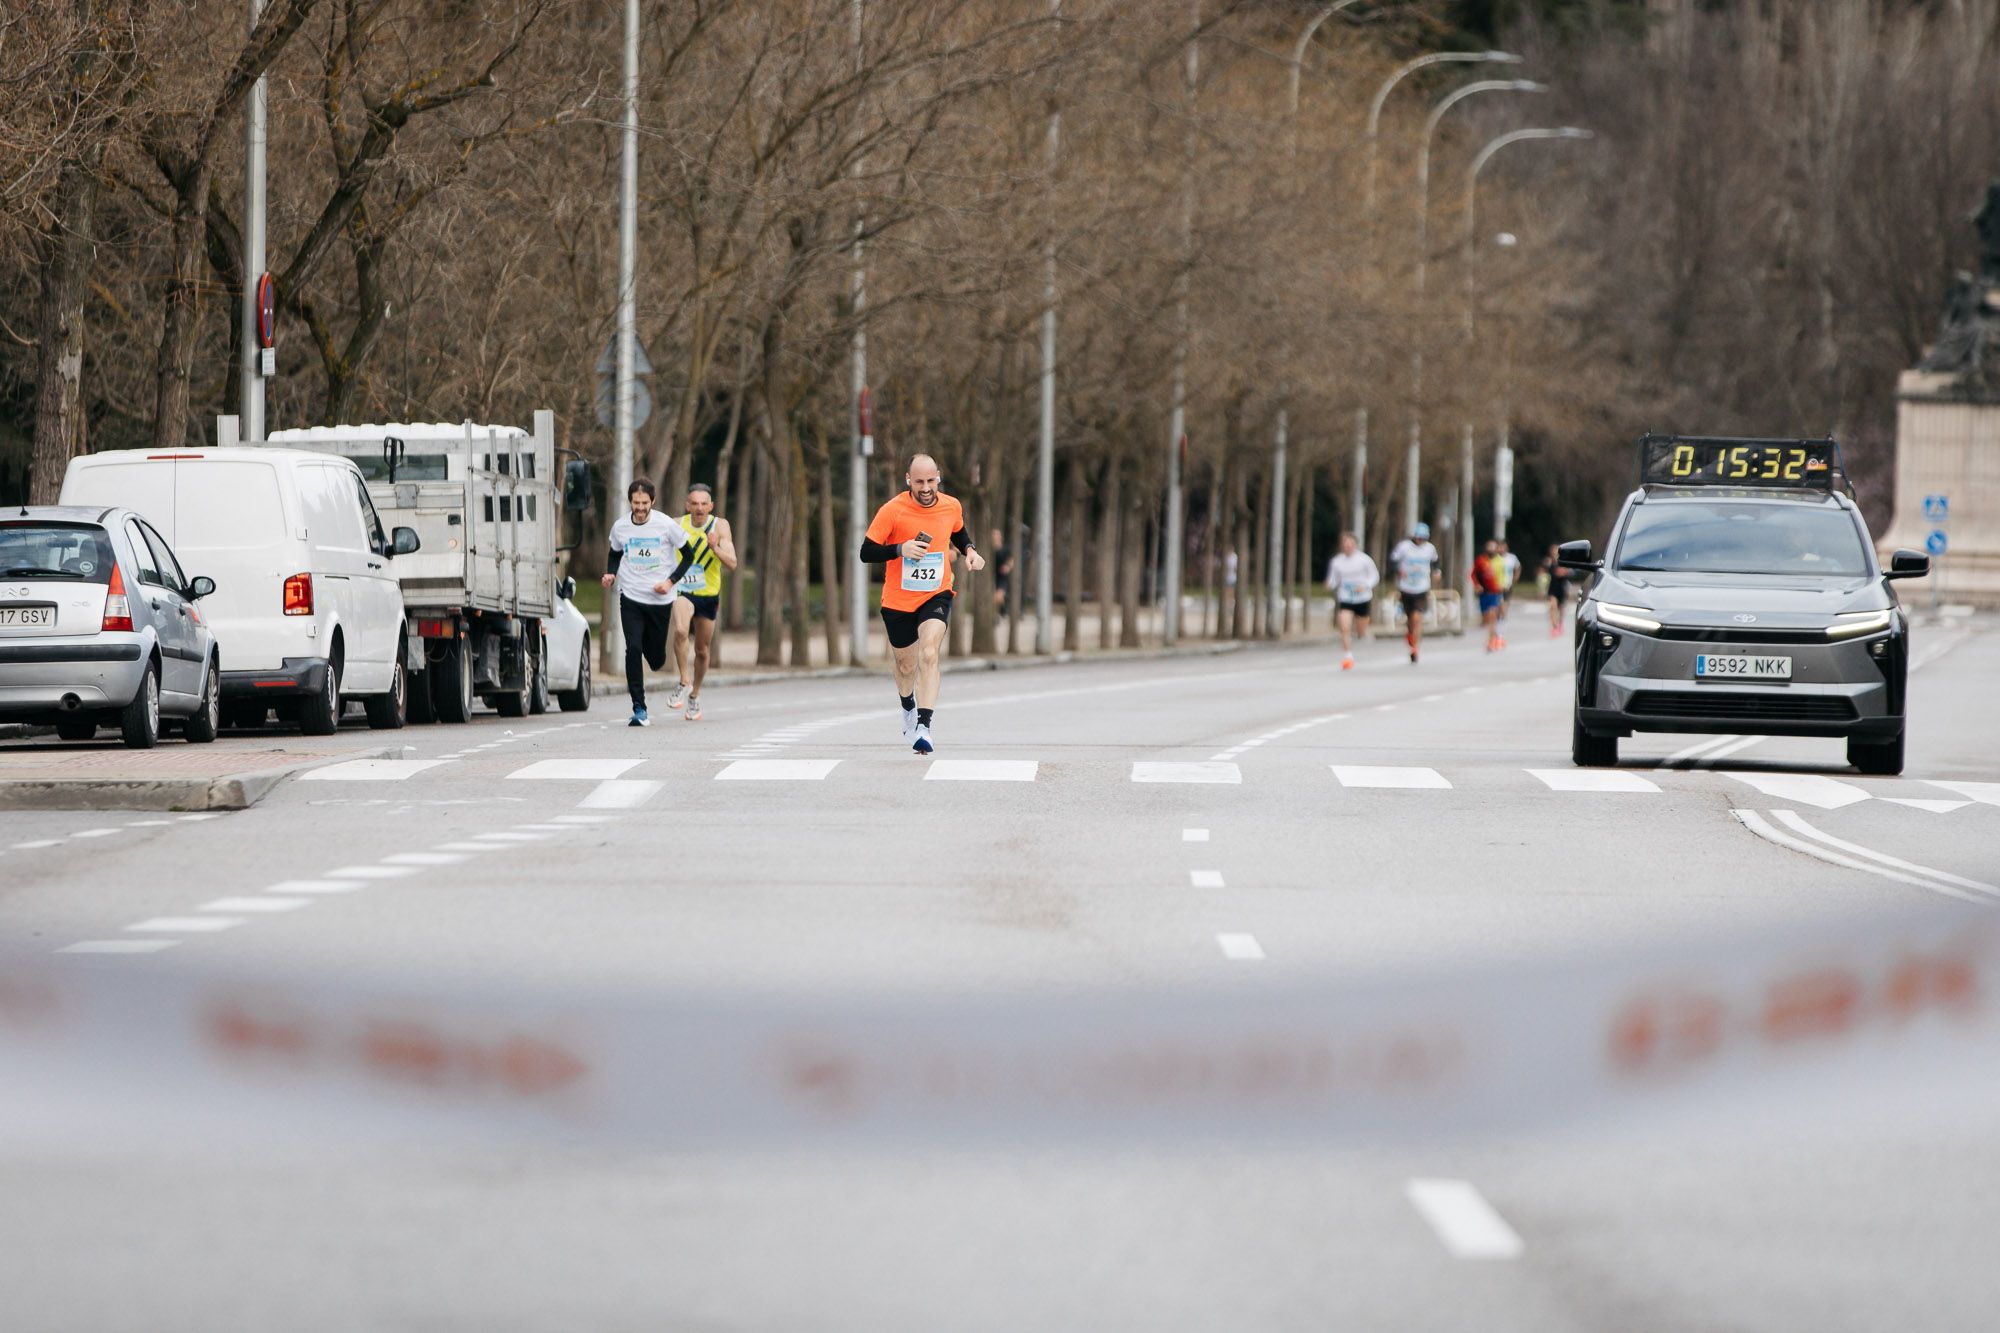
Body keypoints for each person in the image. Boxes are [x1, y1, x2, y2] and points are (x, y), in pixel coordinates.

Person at [859, 454, 985, 754]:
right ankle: (908, 707)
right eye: (919, 482)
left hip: (936, 593)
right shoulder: (893, 510)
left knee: (929, 653)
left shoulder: (951, 505)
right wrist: (900, 549)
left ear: (938, 477)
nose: (926, 488)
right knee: (906, 665)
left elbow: (957, 530)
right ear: (908, 480)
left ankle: (925, 726)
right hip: (898, 600)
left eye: (930, 481)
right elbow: (866, 552)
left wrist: (969, 550)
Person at [601, 479, 694, 727]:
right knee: (632, 648)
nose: (640, 508)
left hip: (660, 600)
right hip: (630, 596)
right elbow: (615, 552)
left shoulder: (665, 525)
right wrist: (611, 573)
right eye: (635, 503)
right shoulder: (621, 527)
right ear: (630, 502)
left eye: (644, 503)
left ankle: (656, 657)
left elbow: (689, 555)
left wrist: (670, 582)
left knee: (655, 660)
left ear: (652, 501)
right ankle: (639, 708)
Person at [665, 482, 737, 721]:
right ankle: (684, 680)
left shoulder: (720, 525)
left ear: (711, 506)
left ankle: (694, 695)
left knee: (702, 650)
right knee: (680, 631)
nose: (699, 508)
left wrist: (715, 547)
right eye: (694, 503)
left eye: (703, 504)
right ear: (687, 505)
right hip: (683, 589)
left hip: (708, 593)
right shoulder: (677, 524)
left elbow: (733, 563)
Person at [1324, 532, 1379, 671]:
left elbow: (1374, 576)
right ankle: (1348, 656)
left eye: (1350, 543)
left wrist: (1365, 585)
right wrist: (1329, 584)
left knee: (1361, 630)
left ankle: (1361, 633)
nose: (1347, 546)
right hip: (1346, 598)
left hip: (1363, 598)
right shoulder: (1337, 561)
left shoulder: (1364, 560)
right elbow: (1333, 579)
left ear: (1355, 545)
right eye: (1345, 543)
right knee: (1344, 626)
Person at [1389, 521, 1441, 664]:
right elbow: (1393, 561)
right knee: (1409, 618)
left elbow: (1436, 561)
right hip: (1406, 587)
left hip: (1422, 587)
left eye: (1423, 538)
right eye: (1418, 538)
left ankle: (1415, 648)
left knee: (1417, 618)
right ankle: (1410, 634)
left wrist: (1437, 572)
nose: (1420, 541)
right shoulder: (1404, 547)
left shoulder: (1430, 549)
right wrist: (1399, 571)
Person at [1472, 539, 1506, 652]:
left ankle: (1491, 641)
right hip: (1483, 593)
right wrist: (1477, 585)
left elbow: (1503, 576)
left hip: (1495, 593)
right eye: (1489, 546)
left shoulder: (1500, 561)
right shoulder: (1481, 560)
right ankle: (1495, 635)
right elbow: (1473, 575)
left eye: (1493, 547)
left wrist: (1502, 585)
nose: (1491, 549)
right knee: (1485, 619)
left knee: (1492, 616)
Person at [1542, 544, 1572, 637]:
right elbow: (1545, 571)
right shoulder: (1549, 561)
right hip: (1552, 587)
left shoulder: (1564, 561)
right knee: (1552, 606)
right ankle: (1554, 626)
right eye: (1553, 551)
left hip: (1561, 587)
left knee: (1561, 608)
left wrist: (1562, 572)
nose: (1554, 553)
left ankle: (1560, 623)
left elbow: (1567, 573)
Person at [1497, 539, 1521, 625]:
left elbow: (1517, 567)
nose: (1501, 549)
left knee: (1505, 601)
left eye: (1503, 546)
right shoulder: (1495, 558)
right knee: (1499, 601)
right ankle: (1500, 616)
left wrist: (1515, 578)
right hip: (1496, 584)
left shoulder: (1511, 558)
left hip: (1508, 583)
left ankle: (1503, 616)